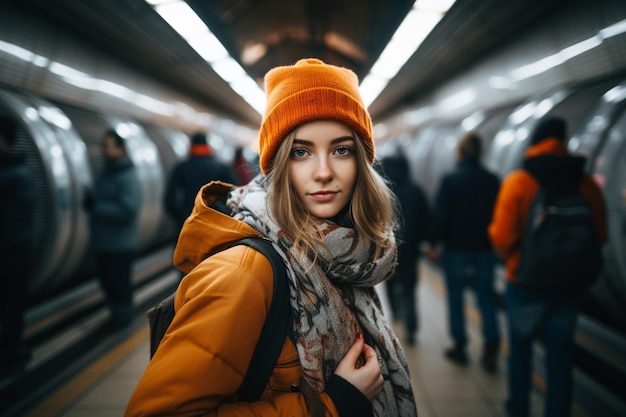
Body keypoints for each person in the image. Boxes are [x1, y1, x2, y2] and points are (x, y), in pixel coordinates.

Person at [125, 58, 417, 417]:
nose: (323, 172)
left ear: (362, 162)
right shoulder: (244, 272)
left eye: (342, 149)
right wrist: (333, 404)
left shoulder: (348, 258)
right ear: (278, 164)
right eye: (301, 152)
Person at [488, 116, 607, 417]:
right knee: (561, 353)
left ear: (535, 141)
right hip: (569, 285)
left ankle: (519, 408)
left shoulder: (520, 180)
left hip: (525, 281)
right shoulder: (586, 182)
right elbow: (601, 235)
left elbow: (502, 236)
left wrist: (517, 256)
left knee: (521, 350)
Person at [426, 132, 501, 371]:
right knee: (486, 299)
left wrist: (434, 242)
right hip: (484, 249)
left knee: (456, 298)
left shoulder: (451, 179)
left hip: (456, 248)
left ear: (460, 153)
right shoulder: (492, 180)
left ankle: (460, 345)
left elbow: (441, 215)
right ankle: (491, 345)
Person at [84, 129, 142, 329]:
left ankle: (123, 322)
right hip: (103, 241)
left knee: (119, 285)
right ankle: (116, 317)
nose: (104, 150)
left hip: (120, 243)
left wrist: (96, 207)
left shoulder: (127, 175)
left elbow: (128, 209)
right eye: (103, 146)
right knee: (107, 283)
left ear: (121, 149)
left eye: (108, 146)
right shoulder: (105, 172)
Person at [380, 151, 430, 346]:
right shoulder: (416, 190)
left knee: (391, 284)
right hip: (412, 252)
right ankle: (411, 325)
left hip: (389, 250)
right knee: (410, 290)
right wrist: (426, 241)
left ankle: (397, 314)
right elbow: (426, 219)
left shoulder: (384, 192)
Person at [0, 115, 34, 373]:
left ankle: (12, 352)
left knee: (11, 305)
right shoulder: (20, 171)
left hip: (12, 252)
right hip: (16, 250)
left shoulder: (15, 175)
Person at [164, 132, 237, 229]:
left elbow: (169, 199)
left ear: (191, 146)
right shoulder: (221, 168)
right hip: (214, 223)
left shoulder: (182, 168)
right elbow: (234, 193)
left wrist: (181, 217)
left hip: (189, 221)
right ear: (207, 146)